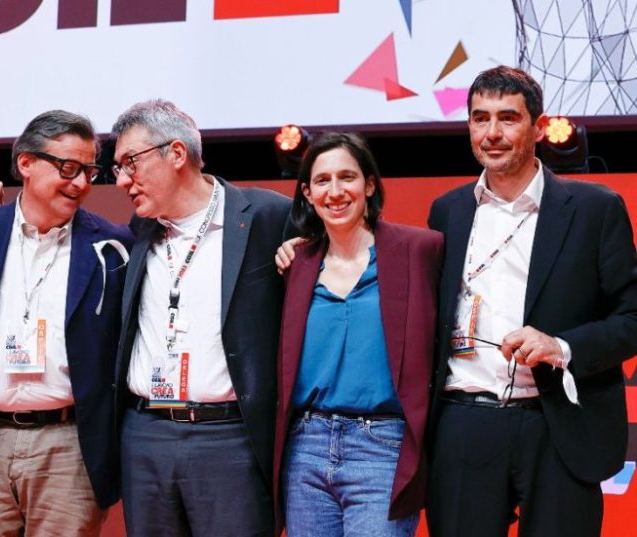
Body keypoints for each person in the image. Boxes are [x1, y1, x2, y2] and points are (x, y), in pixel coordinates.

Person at [425, 66, 637, 536]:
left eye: (508, 118)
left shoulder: (594, 209)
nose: (492, 133)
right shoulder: (447, 211)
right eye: (480, 118)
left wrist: (560, 346)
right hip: (464, 423)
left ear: (539, 128)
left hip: (557, 423)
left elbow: (631, 317)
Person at [0, 110, 132, 535]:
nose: (80, 183)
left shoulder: (113, 244)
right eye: (68, 168)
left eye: (89, 171)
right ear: (26, 163)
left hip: (69, 443)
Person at [111, 99, 290, 536]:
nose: (121, 180)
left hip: (229, 437)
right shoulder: (138, 231)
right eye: (117, 168)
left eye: (130, 163)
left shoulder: (267, 217)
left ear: (176, 153)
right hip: (146, 434)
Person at [273, 132, 441, 536]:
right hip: (306, 448)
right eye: (322, 181)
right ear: (308, 194)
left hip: (381, 446)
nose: (335, 191)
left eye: (347, 177)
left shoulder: (420, 250)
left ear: (368, 185)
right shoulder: (296, 264)